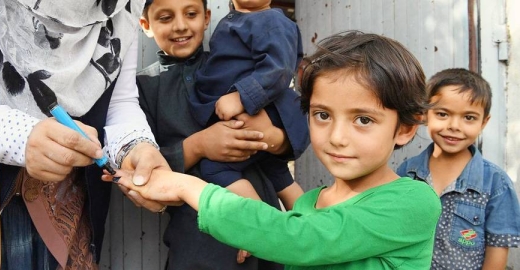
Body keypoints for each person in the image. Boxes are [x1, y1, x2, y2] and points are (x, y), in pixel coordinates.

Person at [108, 31, 442, 269]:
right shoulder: (311, 203)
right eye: (323, 115)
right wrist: (252, 234)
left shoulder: (412, 201)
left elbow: (297, 238)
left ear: (405, 129)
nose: (338, 137)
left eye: (364, 120)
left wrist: (186, 185)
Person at [0, 0, 170, 269]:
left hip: (69, 220)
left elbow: (119, 103)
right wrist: (20, 138)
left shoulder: (124, 5)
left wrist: (136, 146)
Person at [136, 0, 295, 268]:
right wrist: (198, 146)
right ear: (146, 25)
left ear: (206, 17)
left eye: (191, 14)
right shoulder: (143, 88)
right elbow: (146, 166)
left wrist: (273, 139)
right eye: (165, 17)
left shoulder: (236, 67)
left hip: (265, 221)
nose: (180, 26)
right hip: (197, 236)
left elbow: (286, 122)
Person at [188, 0, 308, 209]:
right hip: (254, 110)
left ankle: (266, 227)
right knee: (275, 169)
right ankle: (311, 224)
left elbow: (279, 68)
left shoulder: (272, 21)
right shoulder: (235, 20)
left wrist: (241, 97)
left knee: (214, 168)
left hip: (263, 109)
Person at [397, 68, 520, 269]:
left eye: (469, 117)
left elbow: (496, 255)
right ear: (425, 115)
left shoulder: (495, 183)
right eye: (443, 114)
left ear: (484, 122)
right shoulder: (407, 173)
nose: (454, 126)